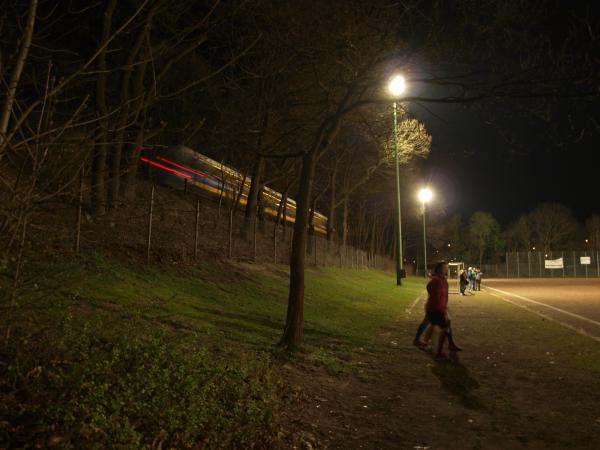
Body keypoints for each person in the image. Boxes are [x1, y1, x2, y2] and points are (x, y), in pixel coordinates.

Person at [413, 261, 462, 357]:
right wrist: (437, 302)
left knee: (437, 323)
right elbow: (430, 288)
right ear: (439, 269)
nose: (447, 269)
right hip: (435, 308)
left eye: (447, 267)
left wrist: (445, 306)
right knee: (444, 326)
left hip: (438, 307)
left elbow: (444, 295)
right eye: (445, 267)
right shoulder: (436, 280)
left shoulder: (443, 280)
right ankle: (439, 351)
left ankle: (423, 341)